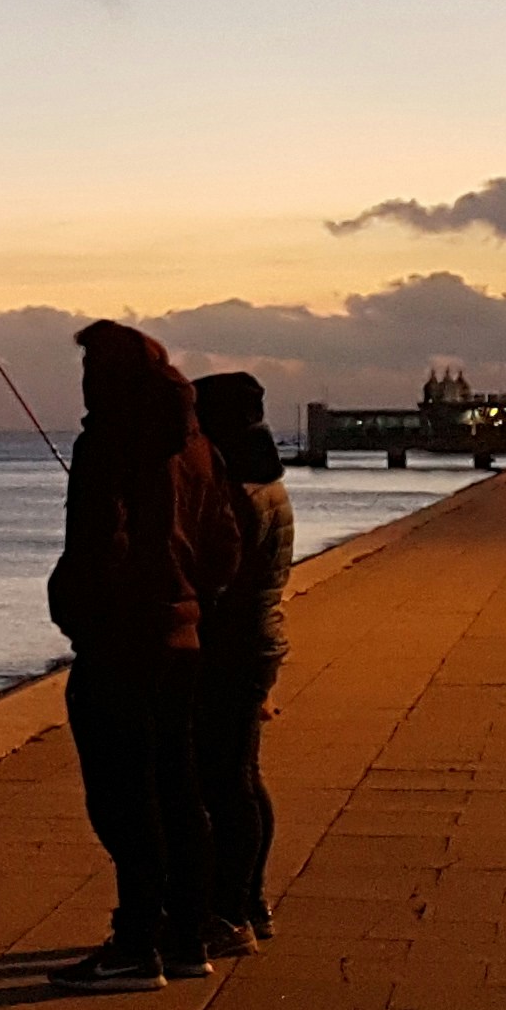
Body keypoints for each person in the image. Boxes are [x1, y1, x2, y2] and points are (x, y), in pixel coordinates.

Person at [44, 321, 249, 992]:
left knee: (123, 799)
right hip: (184, 642)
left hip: (122, 646)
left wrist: (76, 608)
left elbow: (97, 545)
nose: (81, 382)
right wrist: (190, 599)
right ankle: (185, 935)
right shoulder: (199, 447)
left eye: (88, 369)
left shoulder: (108, 441)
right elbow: (227, 545)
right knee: (180, 791)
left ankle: (136, 942)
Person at [190, 371, 294, 955]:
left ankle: (230, 911)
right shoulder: (267, 481)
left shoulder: (237, 490)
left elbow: (215, 575)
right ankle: (250, 902)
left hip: (232, 646)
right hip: (258, 640)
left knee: (225, 785)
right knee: (243, 780)